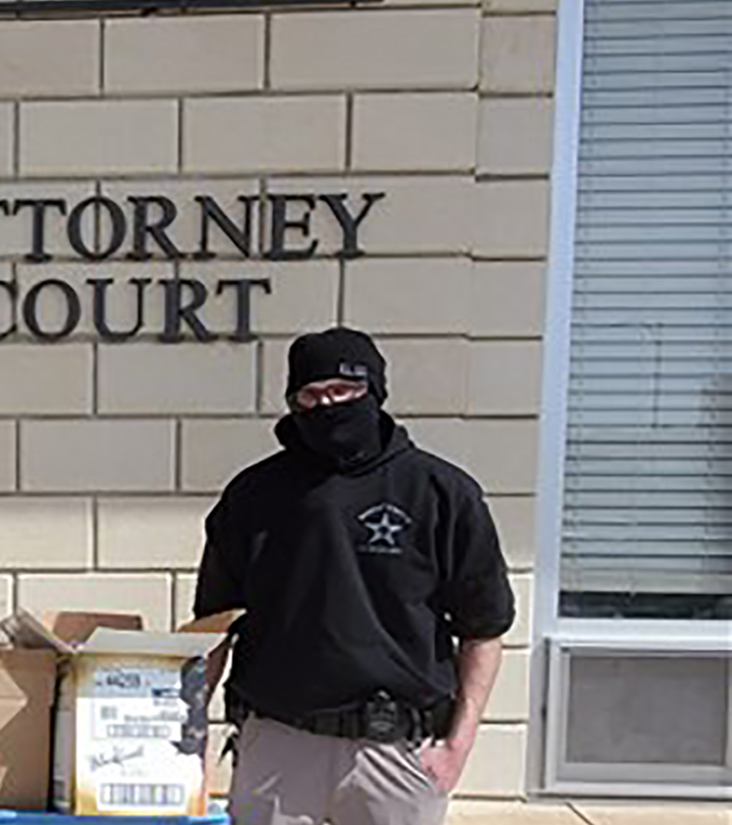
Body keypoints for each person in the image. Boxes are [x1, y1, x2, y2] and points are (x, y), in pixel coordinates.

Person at [194, 327, 515, 825]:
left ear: (375, 392)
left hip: (395, 752)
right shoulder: (253, 496)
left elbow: (484, 630)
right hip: (278, 745)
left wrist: (457, 747)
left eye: (344, 392)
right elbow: (213, 625)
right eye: (311, 395)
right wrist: (187, 734)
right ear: (293, 402)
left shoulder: (441, 493)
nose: (328, 406)